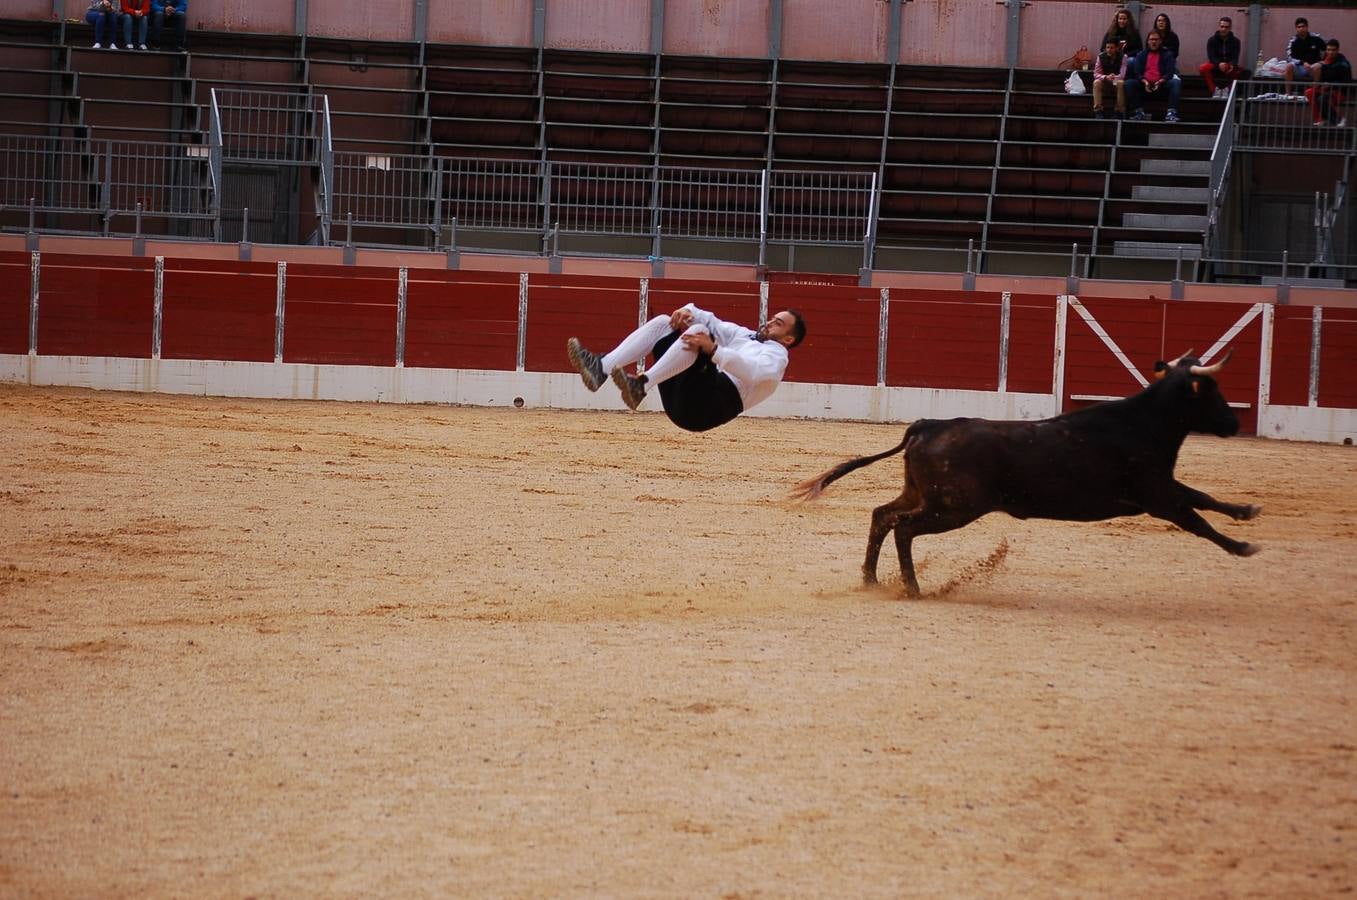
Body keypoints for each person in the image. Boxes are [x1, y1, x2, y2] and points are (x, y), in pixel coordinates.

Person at [566, 304, 807, 433]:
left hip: (710, 407)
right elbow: (712, 320)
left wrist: (714, 350)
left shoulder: (777, 358)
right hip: (685, 400)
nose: (769, 322)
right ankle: (600, 369)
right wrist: (689, 310)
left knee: (699, 335)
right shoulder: (745, 336)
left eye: (778, 323)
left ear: (788, 339)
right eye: (772, 318)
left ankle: (641, 385)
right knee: (664, 323)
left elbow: (753, 373)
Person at [1127, 29, 1181, 123]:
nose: (1154, 42)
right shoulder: (1141, 55)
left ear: (1160, 41)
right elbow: (1137, 72)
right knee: (1129, 83)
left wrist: (1160, 81)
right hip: (1145, 85)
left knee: (1175, 82)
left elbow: (1170, 72)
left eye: (1156, 39)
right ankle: (1138, 112)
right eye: (1151, 39)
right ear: (1148, 41)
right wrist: (1144, 81)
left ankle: (1171, 113)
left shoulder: (1167, 54)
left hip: (1161, 85)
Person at [1305, 40, 1351, 127]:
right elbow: (1323, 77)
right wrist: (1316, 83)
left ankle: (1339, 120)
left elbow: (1346, 82)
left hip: (1339, 91)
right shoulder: (1324, 61)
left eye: (1333, 50)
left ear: (1338, 50)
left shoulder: (1343, 64)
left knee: (1322, 99)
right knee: (1309, 92)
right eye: (1328, 50)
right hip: (1326, 89)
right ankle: (1319, 120)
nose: (1330, 52)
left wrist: (1331, 84)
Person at [1200, 16, 1242, 99]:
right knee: (1203, 68)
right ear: (1219, 26)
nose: (1223, 29)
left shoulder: (1236, 41)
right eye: (1222, 26)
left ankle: (1228, 90)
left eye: (1226, 27)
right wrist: (1219, 64)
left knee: (1240, 70)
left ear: (1230, 28)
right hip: (1215, 64)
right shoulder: (1212, 40)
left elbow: (1235, 56)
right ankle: (1214, 90)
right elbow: (1211, 56)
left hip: (1228, 65)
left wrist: (1231, 65)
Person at [1092, 37, 1128, 119]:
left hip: (1116, 81)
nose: (1109, 50)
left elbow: (1122, 75)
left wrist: (1114, 77)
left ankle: (1119, 111)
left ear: (1117, 48)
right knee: (1096, 82)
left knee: (1121, 83)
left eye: (1111, 48)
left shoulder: (1123, 57)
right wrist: (1106, 77)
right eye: (1107, 47)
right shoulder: (1100, 57)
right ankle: (1098, 111)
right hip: (1105, 81)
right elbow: (1096, 74)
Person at [1284, 17, 1326, 85]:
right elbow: (1289, 57)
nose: (1301, 29)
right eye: (1299, 27)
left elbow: (1327, 49)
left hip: (1314, 66)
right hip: (1300, 67)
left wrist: (1322, 61)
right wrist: (1302, 62)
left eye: (1303, 26)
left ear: (1307, 27)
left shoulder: (1316, 38)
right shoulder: (1293, 41)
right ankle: (1288, 94)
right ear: (1296, 28)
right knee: (1289, 66)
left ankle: (1314, 91)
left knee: (1317, 67)